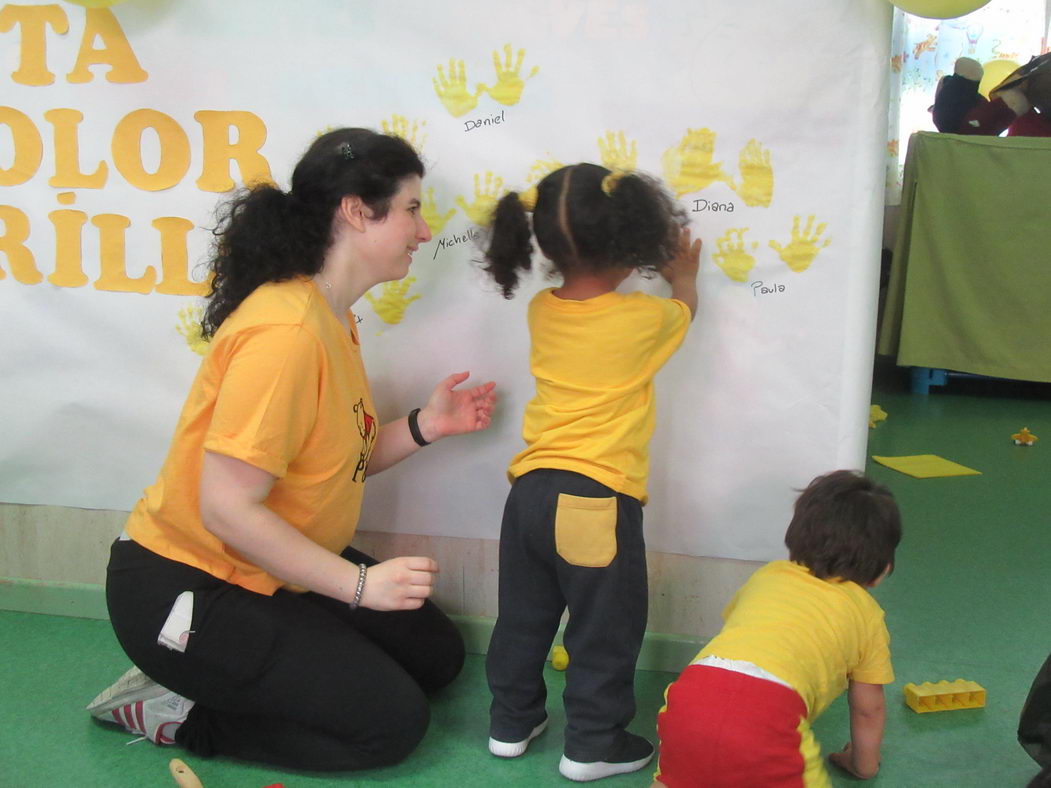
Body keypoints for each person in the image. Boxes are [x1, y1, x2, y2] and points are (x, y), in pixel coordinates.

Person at [86, 128, 497, 772]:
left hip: (270, 567)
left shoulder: (334, 317)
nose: (423, 232)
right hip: (189, 586)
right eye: (413, 208)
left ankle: (273, 661)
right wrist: (358, 585)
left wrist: (426, 426)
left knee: (436, 657)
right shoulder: (286, 332)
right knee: (390, 726)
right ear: (358, 211)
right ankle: (180, 711)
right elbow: (226, 510)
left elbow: (342, 457)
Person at [479, 162, 701, 782]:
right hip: (595, 497)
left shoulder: (541, 312)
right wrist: (683, 277)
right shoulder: (642, 320)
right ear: (631, 246)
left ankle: (510, 723)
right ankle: (593, 743)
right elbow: (684, 311)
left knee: (523, 617)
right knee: (605, 626)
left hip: (527, 494)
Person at [651, 470, 902, 787]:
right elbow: (868, 708)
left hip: (690, 697)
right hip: (767, 717)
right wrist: (863, 765)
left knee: (677, 777)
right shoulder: (867, 616)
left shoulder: (769, 575)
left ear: (797, 537)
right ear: (883, 571)